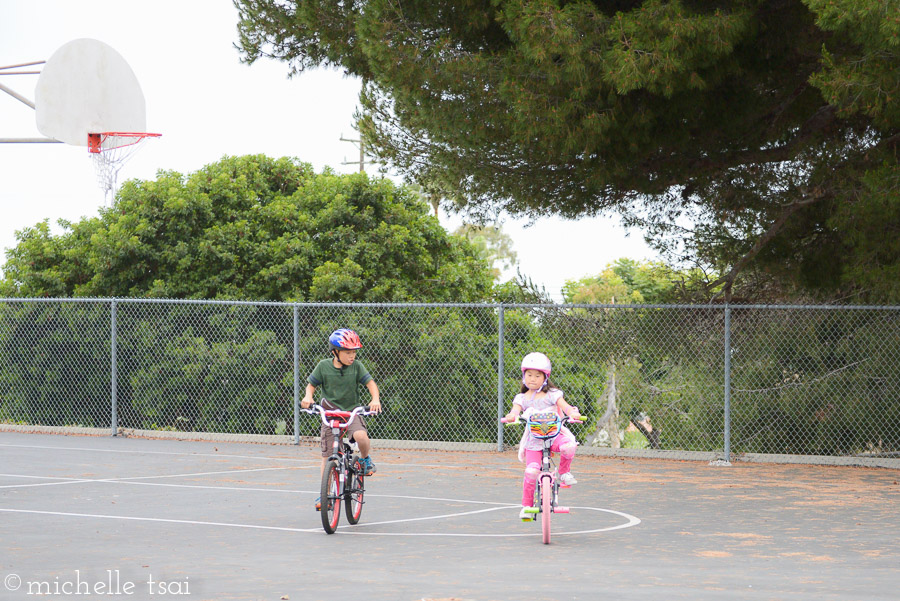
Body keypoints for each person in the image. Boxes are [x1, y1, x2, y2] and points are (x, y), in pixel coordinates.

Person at [302, 328, 381, 510]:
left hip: (351, 412)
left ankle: (365, 459)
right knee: (328, 457)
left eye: (354, 352)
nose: (352, 356)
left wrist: (375, 399)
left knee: (361, 436)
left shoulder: (357, 367)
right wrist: (308, 397)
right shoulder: (323, 366)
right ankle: (325, 494)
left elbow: (371, 384)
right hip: (330, 414)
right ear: (335, 352)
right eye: (348, 352)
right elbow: (311, 386)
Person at [503, 352, 581, 521]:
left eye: (537, 375)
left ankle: (564, 472)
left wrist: (572, 412)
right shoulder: (522, 398)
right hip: (534, 440)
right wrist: (512, 415)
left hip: (554, 435)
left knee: (568, 446)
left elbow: (565, 407)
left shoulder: (553, 394)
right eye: (529, 375)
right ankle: (527, 507)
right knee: (531, 472)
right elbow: (515, 410)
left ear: (545, 377)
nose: (532, 379)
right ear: (524, 376)